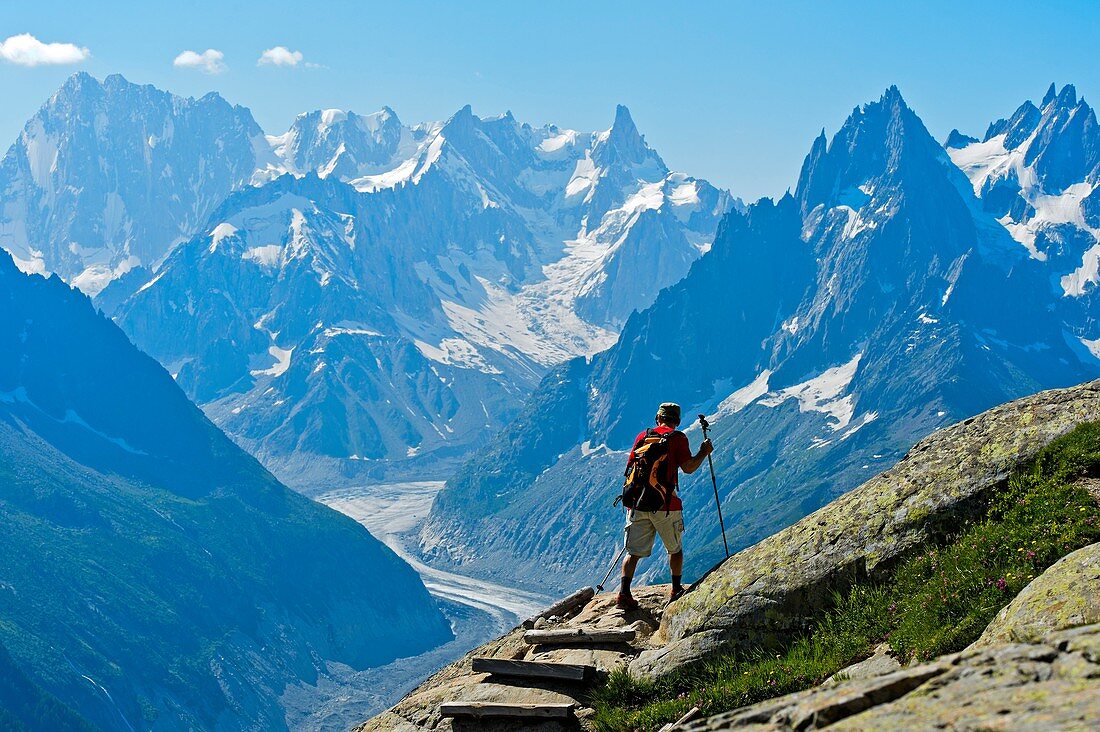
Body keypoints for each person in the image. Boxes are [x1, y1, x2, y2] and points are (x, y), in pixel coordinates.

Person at [617, 402, 713, 610]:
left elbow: (629, 470)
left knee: (632, 552)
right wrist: (703, 452)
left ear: (657, 418)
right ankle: (676, 589)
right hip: (666, 505)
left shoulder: (642, 437)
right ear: (677, 421)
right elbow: (688, 468)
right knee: (675, 549)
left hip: (637, 504)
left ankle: (624, 593)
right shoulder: (678, 438)